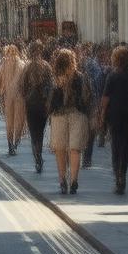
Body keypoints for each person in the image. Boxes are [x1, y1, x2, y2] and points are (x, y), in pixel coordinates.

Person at [48, 49, 90, 195]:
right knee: (75, 149)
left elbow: (50, 99)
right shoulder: (80, 77)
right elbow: (87, 97)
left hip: (59, 115)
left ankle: (62, 181)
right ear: (73, 61)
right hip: (77, 114)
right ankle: (74, 180)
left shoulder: (55, 78)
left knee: (60, 148)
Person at [100, 45, 128, 195]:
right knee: (126, 146)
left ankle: (118, 176)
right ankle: (123, 173)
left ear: (115, 59)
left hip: (114, 115)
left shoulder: (112, 76)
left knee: (116, 145)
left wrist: (101, 114)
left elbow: (106, 98)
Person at [21, 41, 53, 173]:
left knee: (34, 133)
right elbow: (51, 86)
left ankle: (37, 158)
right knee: (40, 131)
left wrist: (25, 98)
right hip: (43, 104)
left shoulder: (27, 67)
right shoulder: (47, 66)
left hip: (31, 104)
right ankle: (39, 155)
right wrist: (49, 103)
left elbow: (21, 86)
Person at [0, 44, 26, 156]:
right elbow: (26, 82)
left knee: (9, 120)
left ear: (7, 52)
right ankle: (16, 143)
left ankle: (10, 145)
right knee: (19, 120)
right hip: (20, 96)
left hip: (8, 96)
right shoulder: (23, 64)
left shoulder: (3, 64)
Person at [80, 44, 105, 169]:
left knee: (85, 131)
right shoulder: (97, 68)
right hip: (93, 103)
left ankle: (83, 156)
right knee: (90, 132)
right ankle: (87, 158)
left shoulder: (80, 67)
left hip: (83, 105)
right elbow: (100, 88)